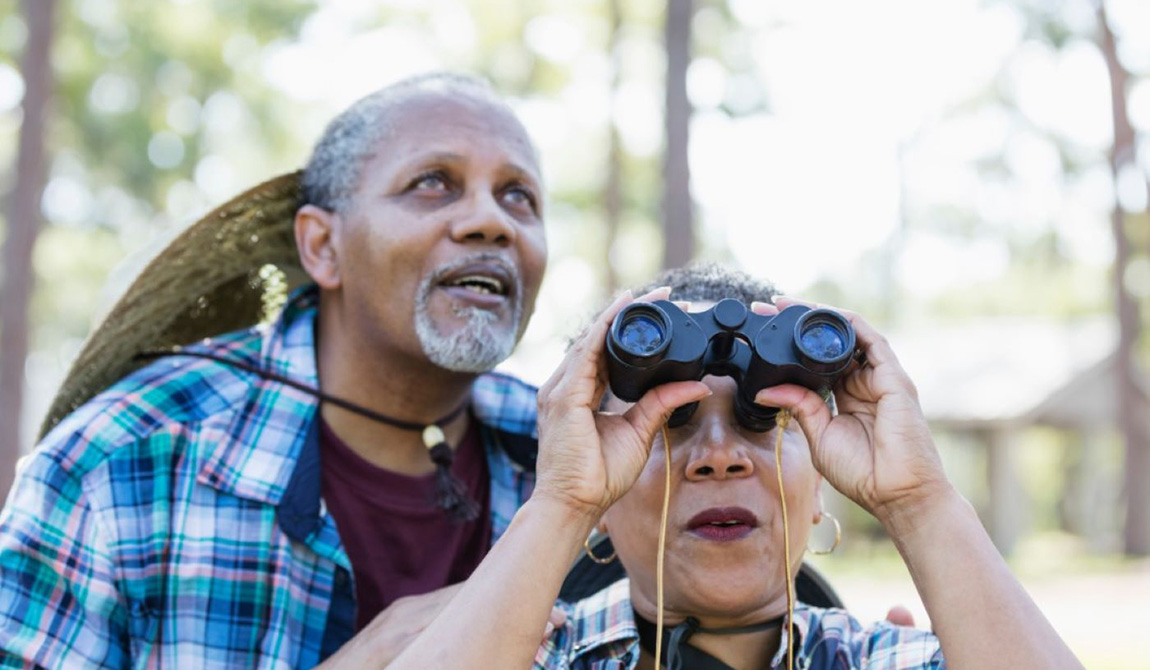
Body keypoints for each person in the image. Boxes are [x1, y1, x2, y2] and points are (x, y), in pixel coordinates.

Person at [0, 73, 562, 669]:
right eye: (432, 183)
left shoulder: (576, 468)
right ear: (322, 246)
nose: (492, 222)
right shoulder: (117, 463)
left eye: (518, 196)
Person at [383, 264, 1085, 670]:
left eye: (763, 418)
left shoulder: (893, 660)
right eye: (669, 423)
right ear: (602, 494)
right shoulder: (524, 653)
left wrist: (919, 501)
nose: (718, 458)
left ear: (821, 492)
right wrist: (560, 502)